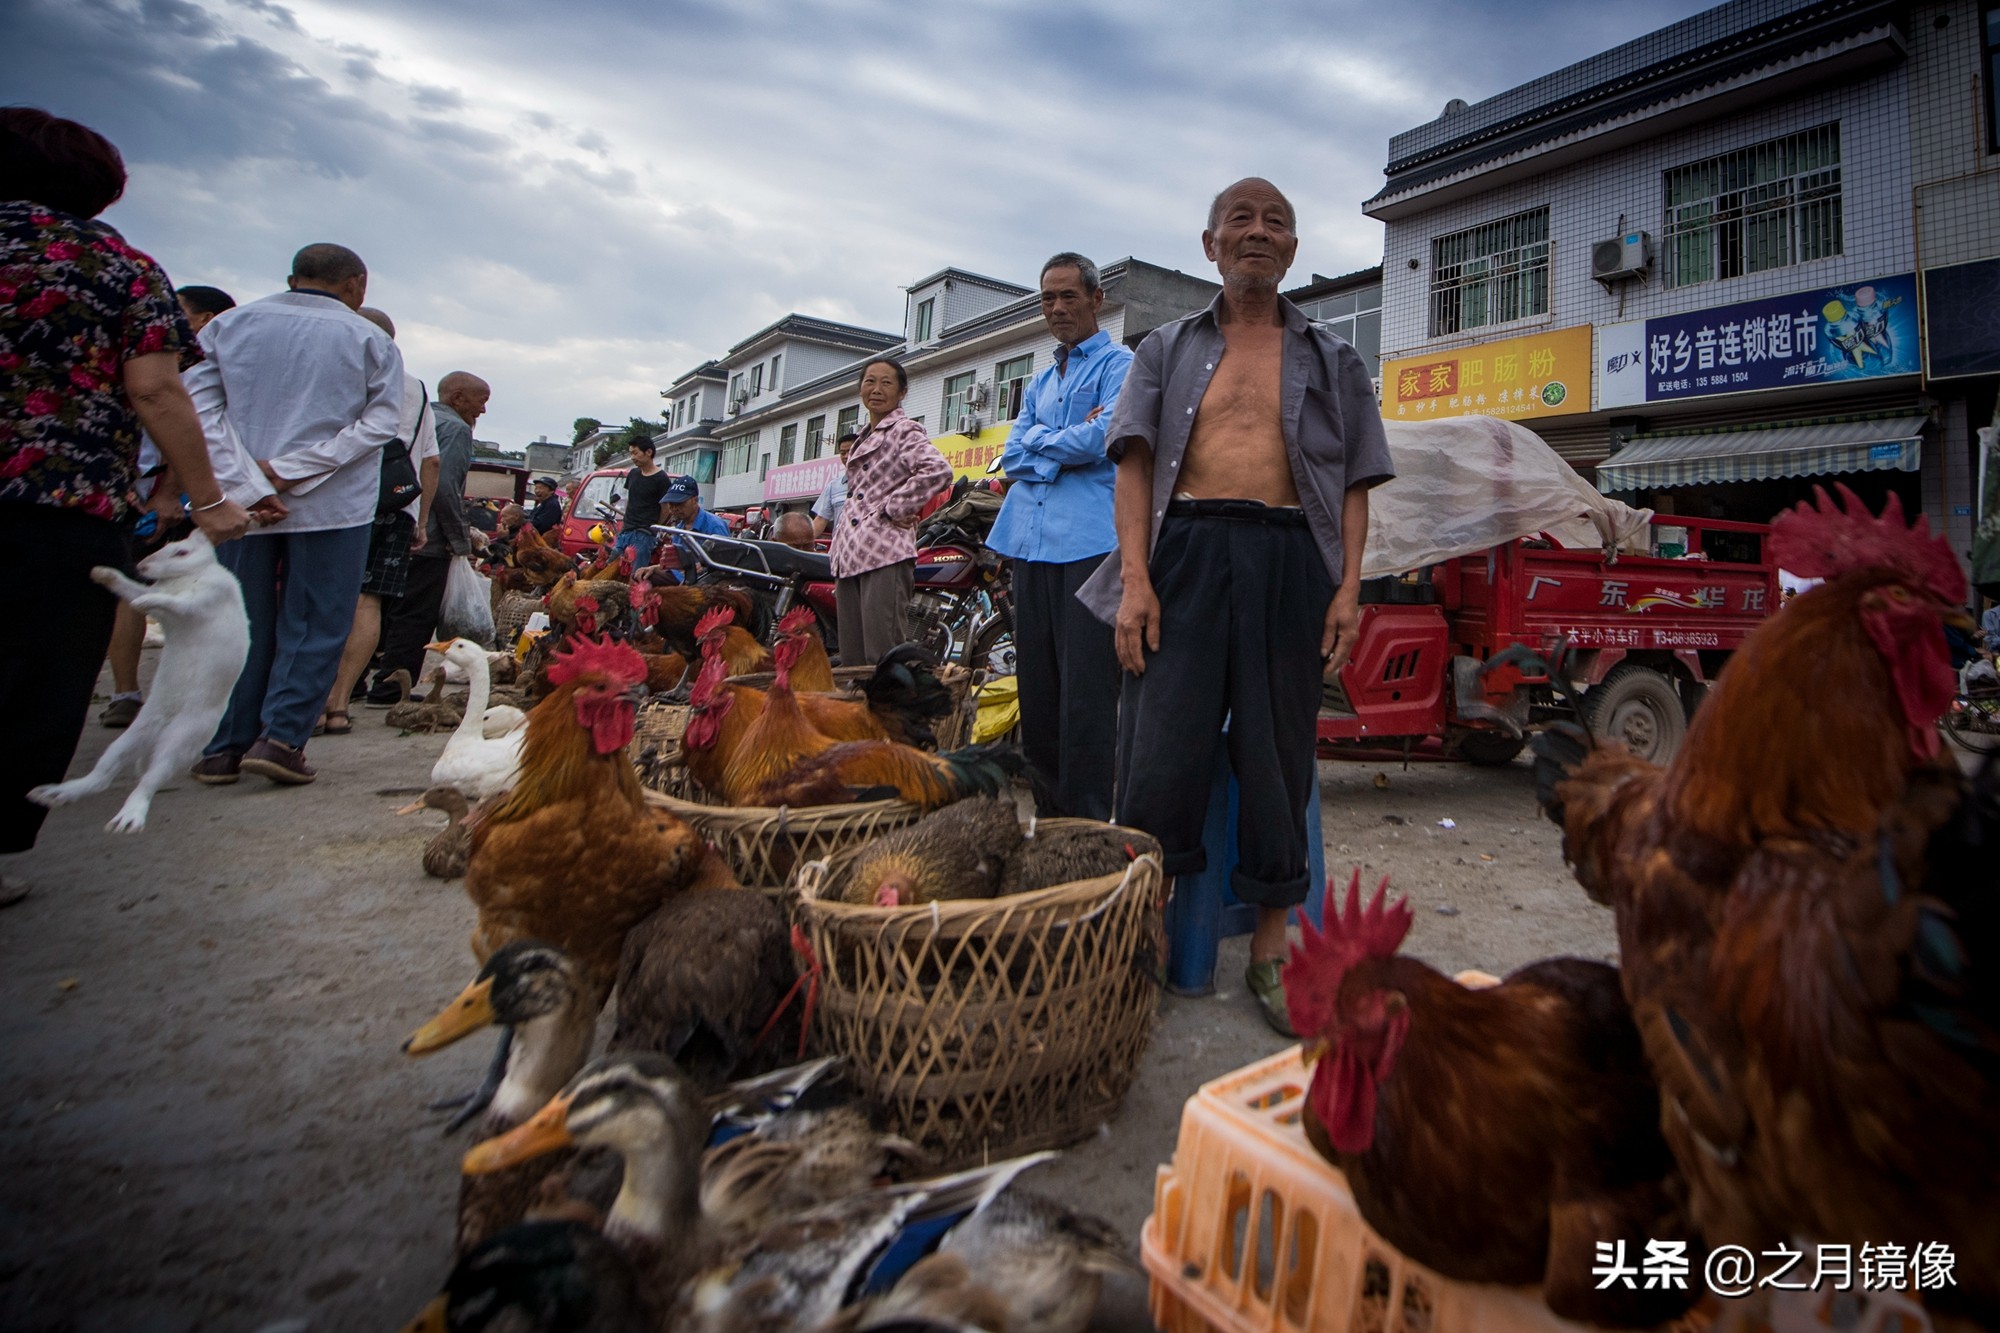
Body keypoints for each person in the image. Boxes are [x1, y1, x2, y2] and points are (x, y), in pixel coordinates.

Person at [1078, 178, 1395, 1034]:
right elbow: (1133, 467)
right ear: (1210, 243)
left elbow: (1356, 483)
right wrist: (1136, 581)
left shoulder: (1334, 358)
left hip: (1290, 558)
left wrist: (1348, 589)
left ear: (1292, 247)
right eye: (1241, 220)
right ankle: (1144, 932)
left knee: (1277, 751)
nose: (1259, 232)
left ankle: (1270, 946)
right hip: (1184, 553)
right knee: (1157, 749)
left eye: (1276, 221)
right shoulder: (1164, 349)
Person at [0, 108, 254, 891]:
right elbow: (155, 389)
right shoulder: (116, 266)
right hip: (57, 498)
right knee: (31, 675)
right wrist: (208, 499)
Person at [185, 241, 404, 785]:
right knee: (315, 623)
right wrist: (291, 470)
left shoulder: (228, 327)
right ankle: (281, 739)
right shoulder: (369, 339)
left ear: (291, 279)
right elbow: (379, 425)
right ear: (357, 286)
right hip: (332, 505)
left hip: (241, 505)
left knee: (241, 621)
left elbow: (198, 411)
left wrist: (248, 480)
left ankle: (224, 746)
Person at [988, 252, 1132, 821]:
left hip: (1090, 544)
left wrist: (1043, 443)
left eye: (1069, 296)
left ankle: (1087, 822)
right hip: (1029, 542)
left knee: (1087, 692)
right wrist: (1061, 442)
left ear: (1097, 299)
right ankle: (1049, 820)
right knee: (1038, 689)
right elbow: (1011, 455)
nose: (1057, 308)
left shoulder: (1122, 365)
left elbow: (1103, 439)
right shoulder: (1041, 380)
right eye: (1048, 298)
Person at [100, 282, 242, 729]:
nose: (168, 319)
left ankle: (156, 694)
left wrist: (171, 493)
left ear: (205, 320)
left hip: (177, 493)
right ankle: (128, 693)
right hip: (153, 490)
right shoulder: (163, 359)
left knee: (159, 591)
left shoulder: (191, 366)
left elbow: (187, 429)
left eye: (180, 311)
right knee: (137, 588)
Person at [321, 306, 437, 734]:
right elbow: (431, 461)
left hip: (330, 501)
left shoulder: (334, 373)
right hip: (393, 506)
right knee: (368, 602)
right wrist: (421, 521)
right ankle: (339, 704)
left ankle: (311, 700)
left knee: (319, 597)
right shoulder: (414, 389)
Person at [365, 372, 484, 702]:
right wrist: (459, 539)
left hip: (393, 526)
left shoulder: (418, 418)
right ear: (457, 398)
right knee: (415, 615)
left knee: (377, 606)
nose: (483, 410)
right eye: (481, 401)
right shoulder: (456, 429)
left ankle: (355, 682)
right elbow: (445, 487)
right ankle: (391, 689)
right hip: (429, 537)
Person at [830, 358, 952, 665]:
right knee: (852, 656)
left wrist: (893, 508)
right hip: (849, 552)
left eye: (886, 383)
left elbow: (938, 470)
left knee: (882, 654)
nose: (876, 389)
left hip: (884, 551)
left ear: (902, 392)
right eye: (869, 381)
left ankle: (893, 699)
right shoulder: (864, 436)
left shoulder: (903, 430)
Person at [654, 474, 730, 580]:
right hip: (683, 577)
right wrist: (654, 568)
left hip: (705, 581)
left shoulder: (714, 525)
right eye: (671, 504)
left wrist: (705, 566)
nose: (674, 508)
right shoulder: (679, 529)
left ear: (695, 500)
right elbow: (676, 564)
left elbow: (726, 561)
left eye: (679, 503)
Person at [614, 436, 670, 568]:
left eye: (635, 453)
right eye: (631, 454)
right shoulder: (633, 474)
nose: (632, 457)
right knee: (612, 566)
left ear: (648, 452)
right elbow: (630, 500)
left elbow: (666, 509)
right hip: (626, 531)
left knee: (636, 573)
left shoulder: (661, 478)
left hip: (644, 535)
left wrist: (654, 528)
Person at [811, 431, 856, 536]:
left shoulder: (875, 483)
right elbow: (821, 519)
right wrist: (802, 541)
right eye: (842, 453)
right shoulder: (833, 486)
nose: (846, 456)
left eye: (850, 451)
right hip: (840, 544)